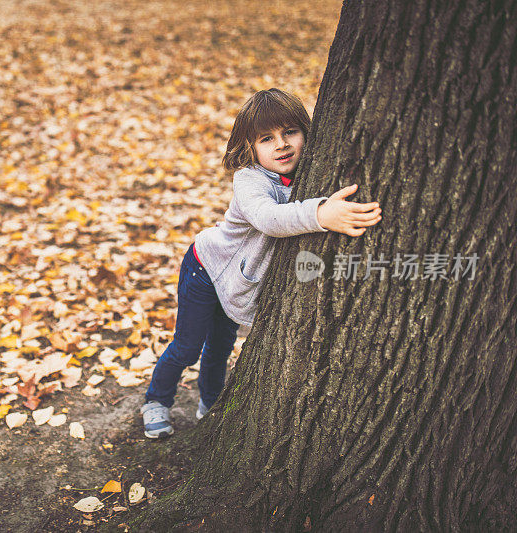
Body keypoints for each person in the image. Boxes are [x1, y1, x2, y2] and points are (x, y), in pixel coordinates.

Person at [141, 88, 383, 438]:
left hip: (237, 280)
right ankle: (156, 400)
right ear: (250, 148)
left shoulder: (310, 172)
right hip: (206, 268)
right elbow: (269, 218)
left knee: (220, 348)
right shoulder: (249, 179)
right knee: (188, 346)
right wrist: (321, 214)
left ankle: (209, 405)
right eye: (266, 138)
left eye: (290, 132)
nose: (281, 144)